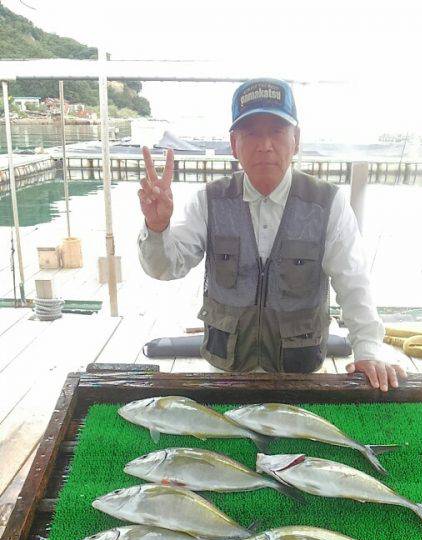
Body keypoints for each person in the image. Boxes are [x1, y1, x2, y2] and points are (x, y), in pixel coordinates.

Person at [138, 77, 406, 391]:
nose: (265, 145)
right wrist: (158, 228)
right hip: (226, 373)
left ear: (296, 139)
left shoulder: (327, 203)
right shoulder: (208, 201)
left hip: (300, 375)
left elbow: (353, 282)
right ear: (235, 143)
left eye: (276, 131)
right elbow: (165, 267)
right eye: (251, 133)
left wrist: (368, 351)